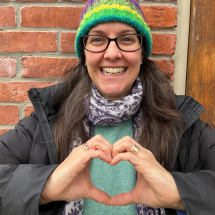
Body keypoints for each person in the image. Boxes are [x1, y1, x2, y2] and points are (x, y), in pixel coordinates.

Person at [0, 0, 215, 214]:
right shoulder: (46, 120)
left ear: (142, 54)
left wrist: (177, 190)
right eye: (98, 39)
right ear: (84, 55)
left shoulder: (182, 124)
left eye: (127, 39)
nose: (112, 53)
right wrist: (48, 186)